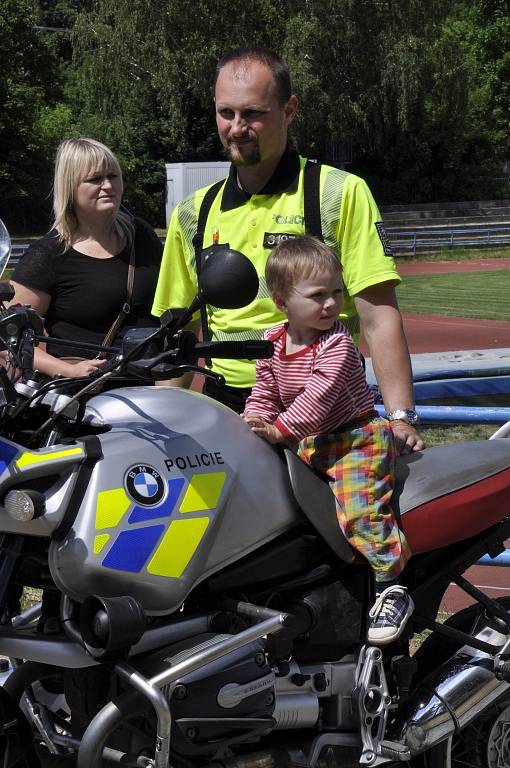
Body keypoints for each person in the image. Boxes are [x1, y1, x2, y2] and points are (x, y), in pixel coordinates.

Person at [152, 46, 423, 454]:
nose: (237, 128)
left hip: (323, 407)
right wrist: (161, 422)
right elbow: (178, 331)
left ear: (289, 110)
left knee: (348, 516)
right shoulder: (193, 213)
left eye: (253, 114)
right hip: (228, 409)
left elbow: (378, 317)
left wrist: (400, 417)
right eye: (226, 113)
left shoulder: (337, 193)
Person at [243, 236, 413, 644]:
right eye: (318, 295)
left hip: (356, 440)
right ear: (282, 302)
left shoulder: (336, 344)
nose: (331, 304)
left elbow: (318, 401)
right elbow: (265, 391)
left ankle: (392, 584)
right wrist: (251, 420)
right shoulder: (271, 342)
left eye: (337, 292)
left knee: (359, 511)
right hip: (313, 444)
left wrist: (278, 430)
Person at [10, 138, 162, 378]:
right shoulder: (48, 254)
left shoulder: (141, 234)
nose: (108, 185)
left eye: (113, 176)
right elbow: (9, 339)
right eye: (95, 179)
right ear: (70, 187)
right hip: (85, 398)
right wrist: (67, 370)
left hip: (150, 387)